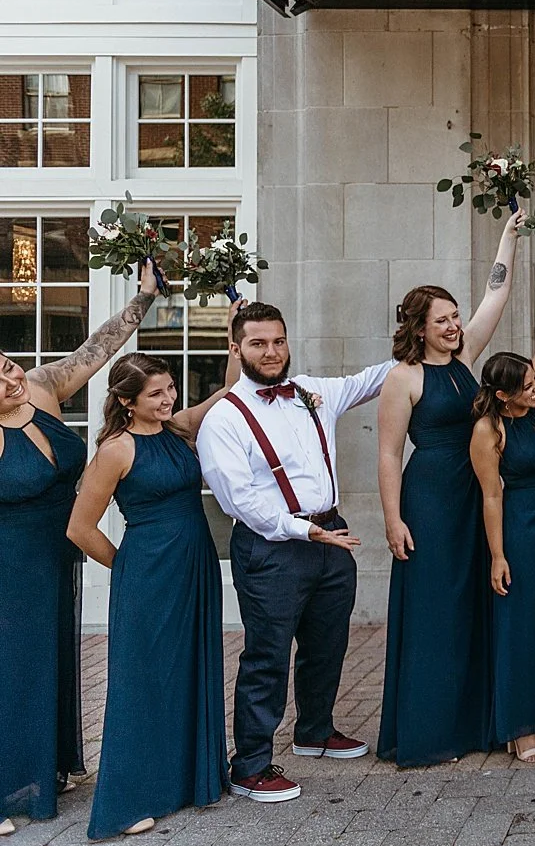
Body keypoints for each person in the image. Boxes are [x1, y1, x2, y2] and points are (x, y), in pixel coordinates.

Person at [196, 302, 396, 803]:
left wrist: (427, 334)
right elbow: (238, 499)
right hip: (272, 548)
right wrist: (304, 532)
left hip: (333, 537)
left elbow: (375, 378)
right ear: (235, 348)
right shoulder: (224, 417)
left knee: (327, 643)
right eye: (258, 343)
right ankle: (251, 765)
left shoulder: (311, 391)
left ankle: (314, 730)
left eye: (278, 341)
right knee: (266, 655)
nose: (271, 352)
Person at [67, 304, 242, 839]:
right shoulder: (116, 451)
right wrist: (127, 567)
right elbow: (80, 527)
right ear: (125, 401)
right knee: (144, 681)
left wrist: (234, 342)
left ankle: (188, 780)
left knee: (189, 667)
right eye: (155, 393)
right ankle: (129, 798)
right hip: (147, 572)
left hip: (195, 565)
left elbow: (224, 398)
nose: (168, 399)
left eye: (169, 389)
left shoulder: (177, 428)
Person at [0, 263, 162, 838]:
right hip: (8, 562)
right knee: (10, 666)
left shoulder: (42, 388)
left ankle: (43, 769)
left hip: (55, 554)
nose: (11, 378)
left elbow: (97, 348)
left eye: (8, 364)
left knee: (51, 657)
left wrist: (144, 298)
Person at [376, 217, 521, 767]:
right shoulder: (403, 377)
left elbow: (498, 293)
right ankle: (429, 731)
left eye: (456, 316)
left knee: (469, 604)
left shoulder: (465, 361)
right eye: (442, 320)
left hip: (473, 493)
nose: (455, 325)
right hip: (429, 499)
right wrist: (393, 519)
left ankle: (470, 723)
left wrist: (509, 235)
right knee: (435, 608)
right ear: (419, 329)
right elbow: (389, 454)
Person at [471, 258, 535, 764]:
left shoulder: (533, 406)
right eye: (529, 385)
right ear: (502, 394)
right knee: (524, 622)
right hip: (522, 528)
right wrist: (497, 555)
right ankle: (521, 726)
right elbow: (491, 495)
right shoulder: (490, 429)